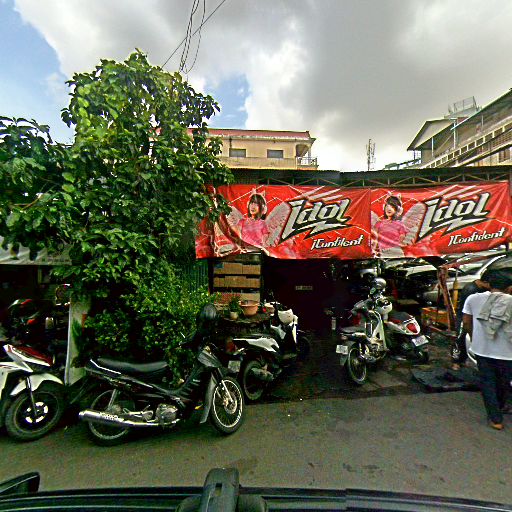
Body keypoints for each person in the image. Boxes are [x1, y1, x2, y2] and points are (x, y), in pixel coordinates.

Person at [463, 270, 512, 430]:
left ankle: (495, 418)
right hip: (508, 353)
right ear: (509, 288)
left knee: (488, 382)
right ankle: (501, 406)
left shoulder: (473, 298)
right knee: (504, 381)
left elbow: (466, 322)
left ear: (489, 284)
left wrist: (473, 337)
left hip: (482, 349)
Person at [451, 270, 492, 370]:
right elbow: (467, 309)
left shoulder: (481, 289)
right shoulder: (470, 289)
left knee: (467, 340)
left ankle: (464, 359)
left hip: (473, 316)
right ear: (485, 282)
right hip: (464, 316)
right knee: (460, 338)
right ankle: (456, 361)